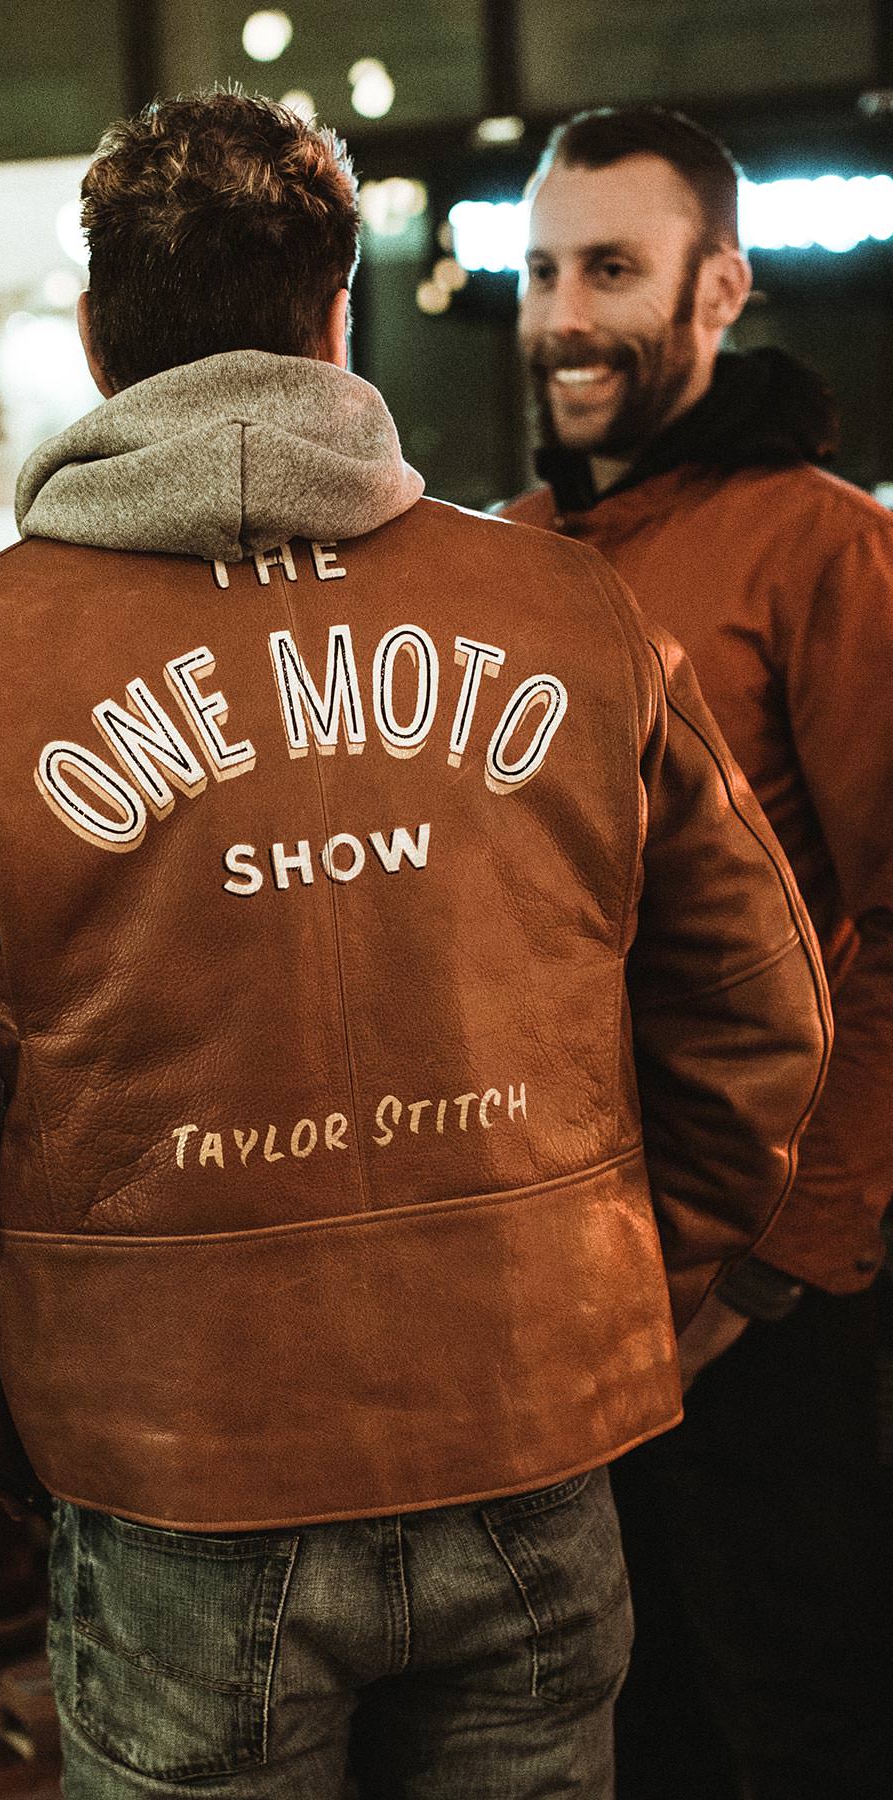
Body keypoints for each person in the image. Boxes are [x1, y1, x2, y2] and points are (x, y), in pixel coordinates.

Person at [0, 92, 831, 1798]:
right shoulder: (573, 610)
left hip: (172, 1486)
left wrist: (19, 1409)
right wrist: (607, 1306)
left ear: (99, 340)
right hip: (535, 1446)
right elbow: (764, 1018)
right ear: (337, 319)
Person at [501, 104, 893, 1799]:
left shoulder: (821, 543)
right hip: (571, 1295)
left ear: (719, 288)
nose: (564, 315)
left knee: (798, 1715)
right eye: (539, 272)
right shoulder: (504, 555)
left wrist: (785, 1259)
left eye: (611, 269)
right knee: (619, 1724)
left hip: (767, 1295)